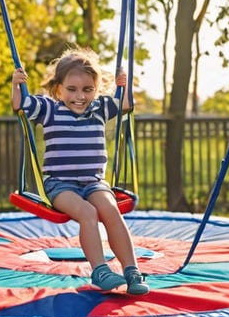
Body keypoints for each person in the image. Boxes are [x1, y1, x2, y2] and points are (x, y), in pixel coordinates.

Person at [12, 47, 149, 295]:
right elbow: (20, 104)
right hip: (60, 185)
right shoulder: (50, 109)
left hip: (94, 182)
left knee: (110, 210)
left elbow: (126, 104)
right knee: (88, 213)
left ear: (96, 90)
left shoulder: (99, 108)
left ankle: (132, 270)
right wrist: (16, 85)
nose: (80, 96)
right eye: (72, 89)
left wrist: (123, 83)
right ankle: (100, 271)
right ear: (58, 89)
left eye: (88, 89)